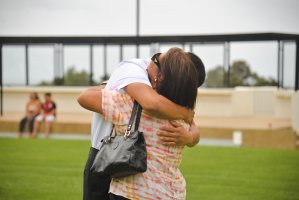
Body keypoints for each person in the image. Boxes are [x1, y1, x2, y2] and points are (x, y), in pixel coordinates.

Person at [78, 47, 205, 200]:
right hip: (172, 193)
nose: (150, 61)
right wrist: (189, 128)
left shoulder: (130, 105)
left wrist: (110, 86)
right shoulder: (180, 112)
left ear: (162, 76)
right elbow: (191, 127)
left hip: (127, 185)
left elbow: (84, 97)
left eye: (157, 58)